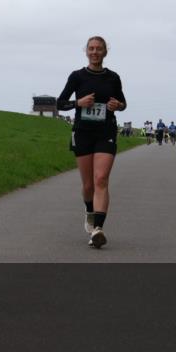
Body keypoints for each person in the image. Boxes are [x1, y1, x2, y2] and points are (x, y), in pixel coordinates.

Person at [57, 36, 126, 249]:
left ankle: (98, 229)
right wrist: (78, 103)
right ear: (86, 52)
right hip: (83, 132)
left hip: (106, 131)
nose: (95, 52)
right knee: (88, 185)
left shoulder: (113, 78)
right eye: (91, 48)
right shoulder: (77, 76)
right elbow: (60, 103)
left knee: (101, 179)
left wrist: (117, 105)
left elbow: (123, 103)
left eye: (99, 49)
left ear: (105, 52)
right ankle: (89, 210)